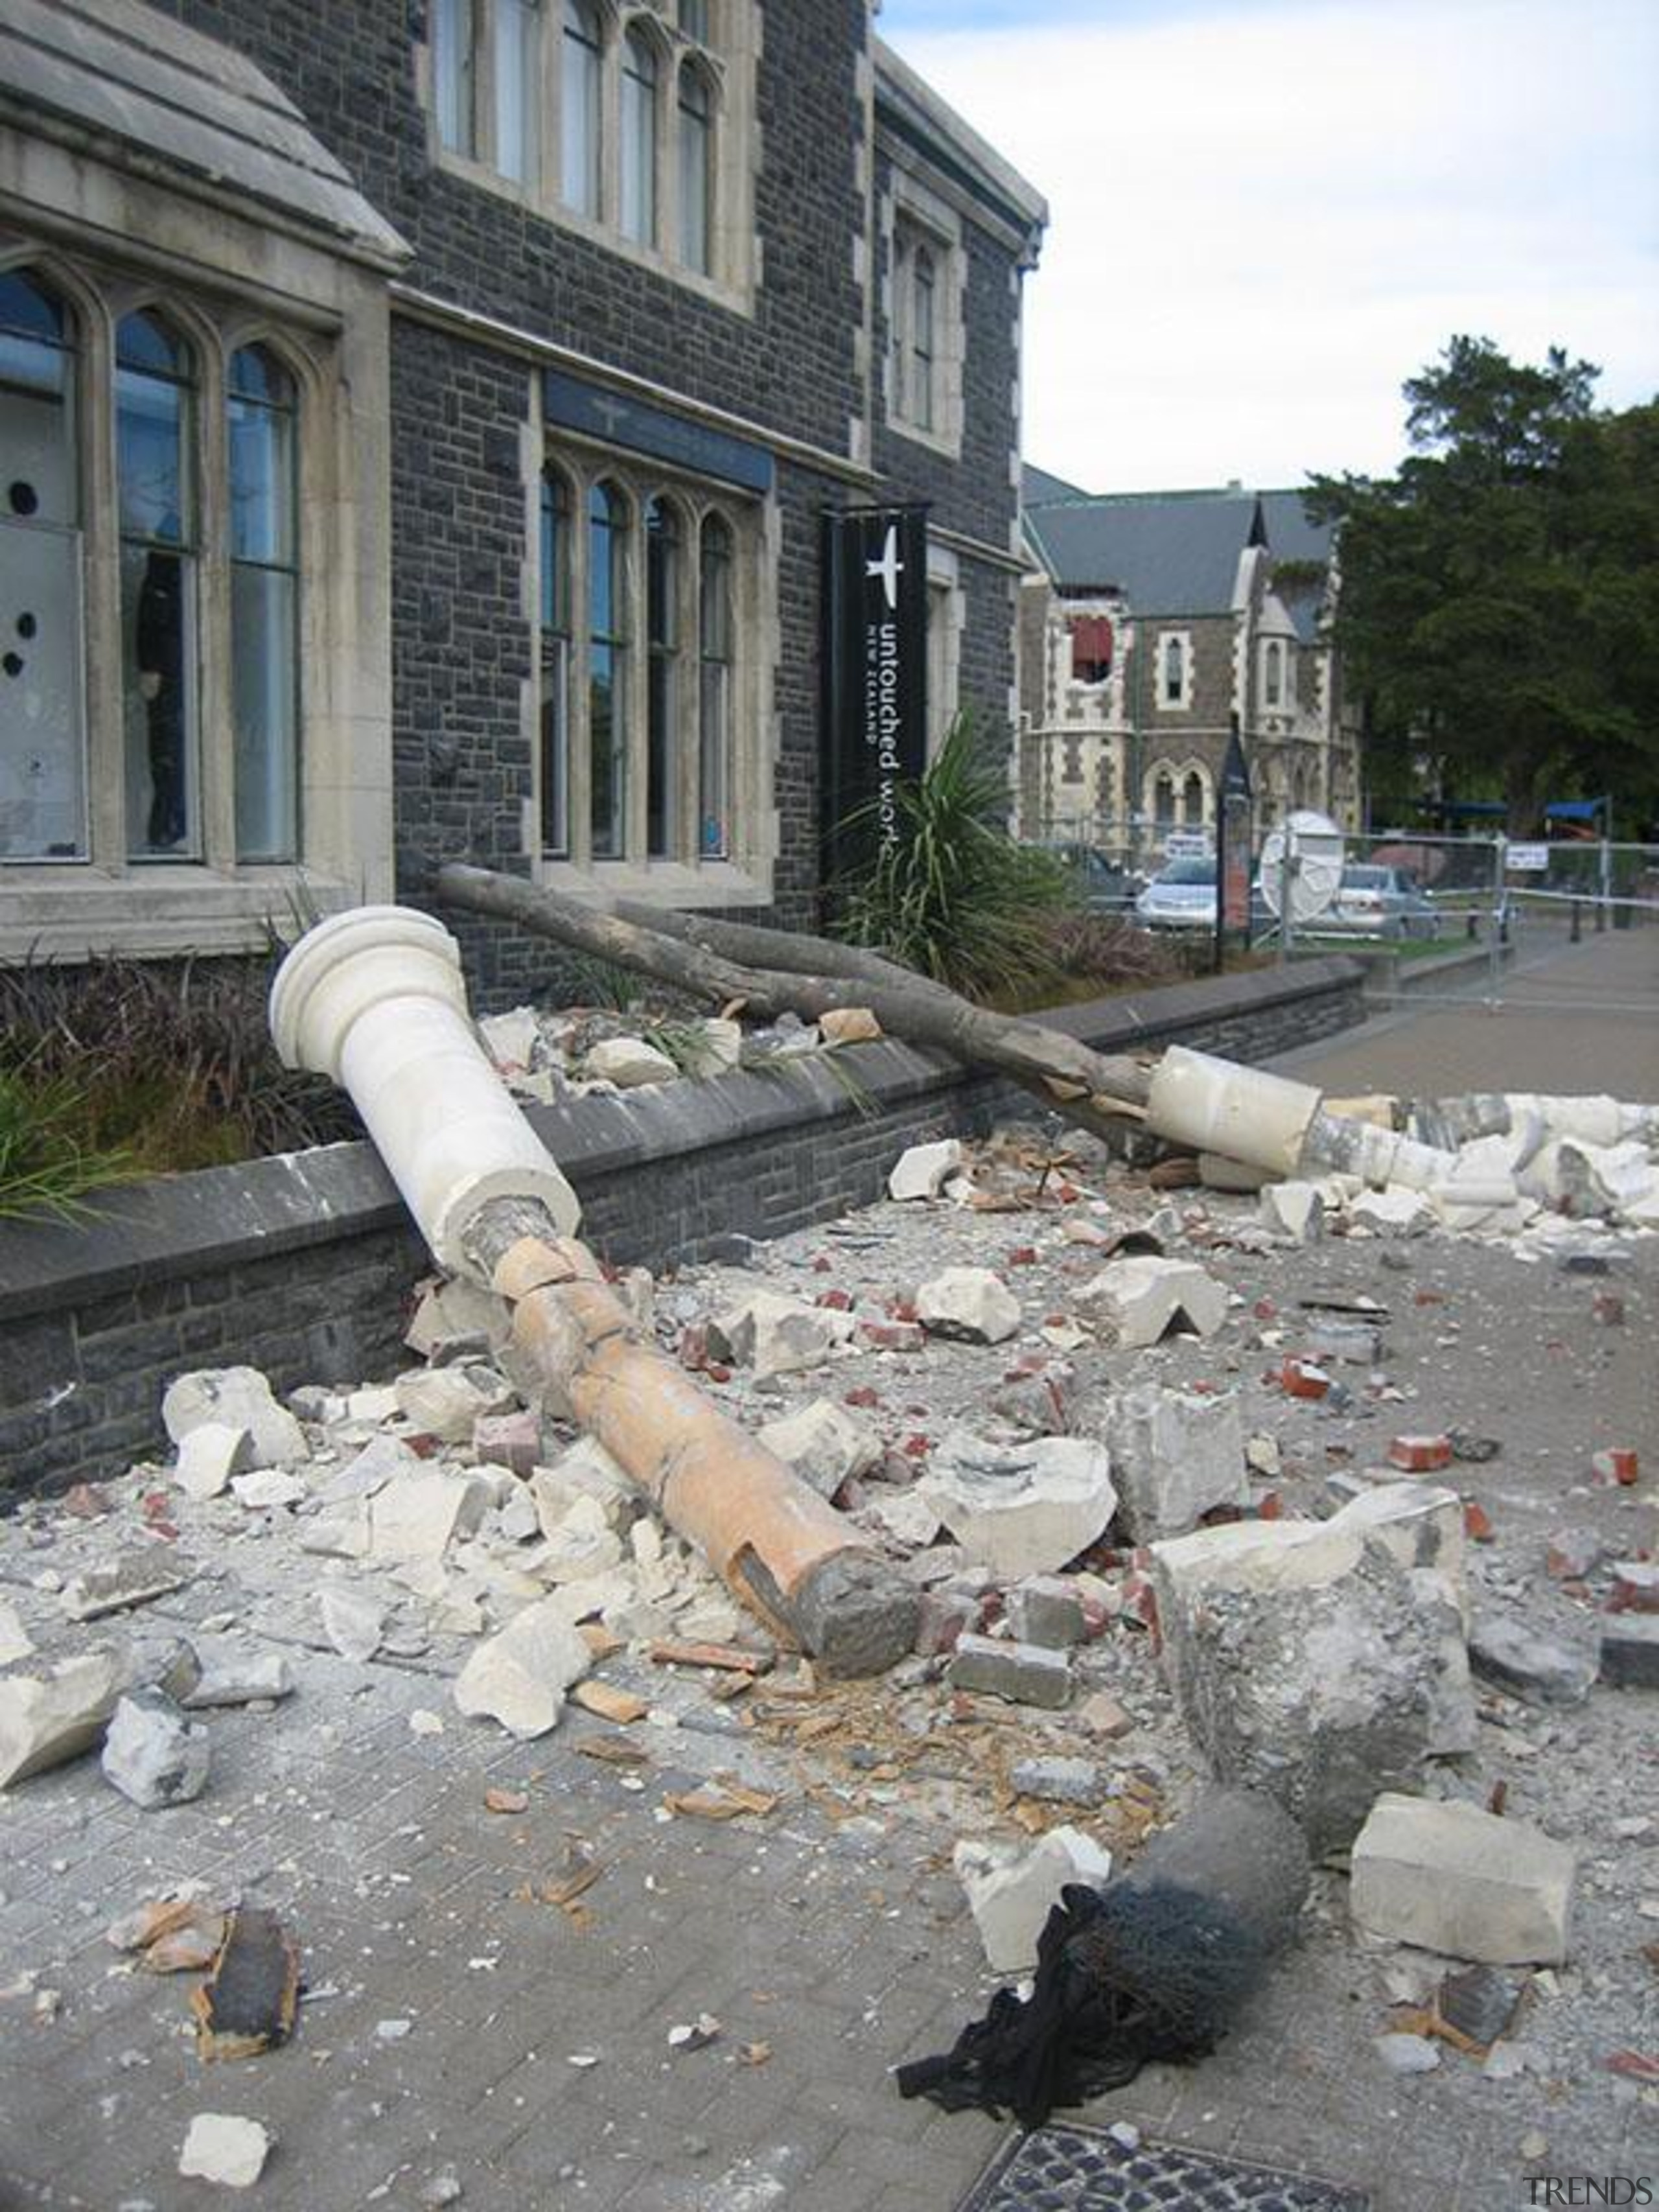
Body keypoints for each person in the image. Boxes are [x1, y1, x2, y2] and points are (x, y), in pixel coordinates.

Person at [135, 540, 185, 848]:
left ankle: (171, 828)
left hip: (179, 680)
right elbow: (151, 624)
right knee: (167, 760)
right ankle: (165, 832)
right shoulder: (161, 582)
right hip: (168, 683)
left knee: (173, 760)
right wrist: (150, 665)